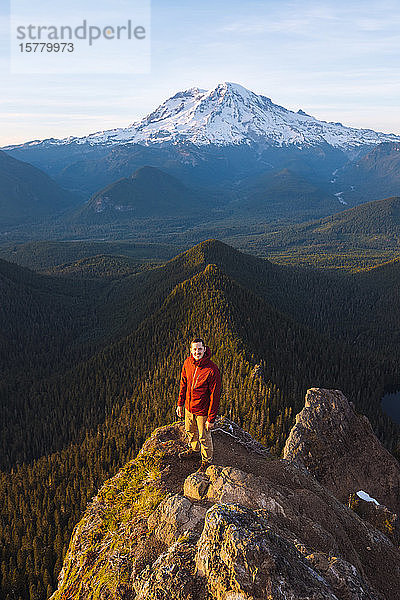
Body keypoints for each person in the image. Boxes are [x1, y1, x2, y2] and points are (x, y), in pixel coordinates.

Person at [176, 338, 221, 472]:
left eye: (200, 349)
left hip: (203, 410)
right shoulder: (188, 363)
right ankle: (195, 450)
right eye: (194, 349)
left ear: (205, 349)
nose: (197, 352)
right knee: (190, 430)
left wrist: (211, 418)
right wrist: (180, 404)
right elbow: (183, 384)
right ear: (191, 350)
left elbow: (215, 395)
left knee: (204, 436)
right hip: (189, 408)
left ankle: (207, 461)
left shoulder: (212, 370)